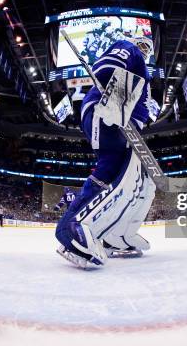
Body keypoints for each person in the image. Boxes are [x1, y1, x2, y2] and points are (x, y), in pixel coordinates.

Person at [55, 37, 157, 268]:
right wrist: (113, 102)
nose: (144, 49)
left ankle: (115, 235)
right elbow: (106, 67)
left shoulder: (142, 69)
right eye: (142, 44)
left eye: (147, 48)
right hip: (109, 110)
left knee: (128, 176)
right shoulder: (130, 49)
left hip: (124, 121)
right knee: (117, 170)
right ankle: (73, 228)